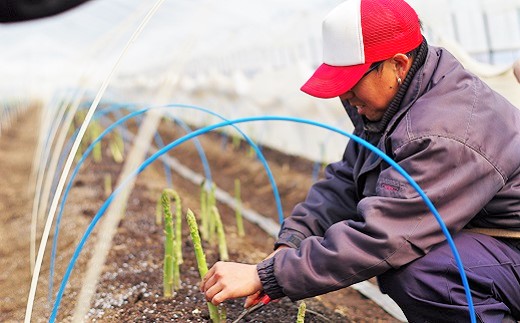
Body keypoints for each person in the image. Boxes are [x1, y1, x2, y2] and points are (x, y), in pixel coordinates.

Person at [200, 0, 520, 321]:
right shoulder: (395, 102)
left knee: (422, 271)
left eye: (351, 83)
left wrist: (268, 275)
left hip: (512, 246)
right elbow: (345, 181)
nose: (346, 97)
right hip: (489, 238)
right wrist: (291, 243)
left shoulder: (443, 130)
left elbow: (386, 237)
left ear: (398, 64)